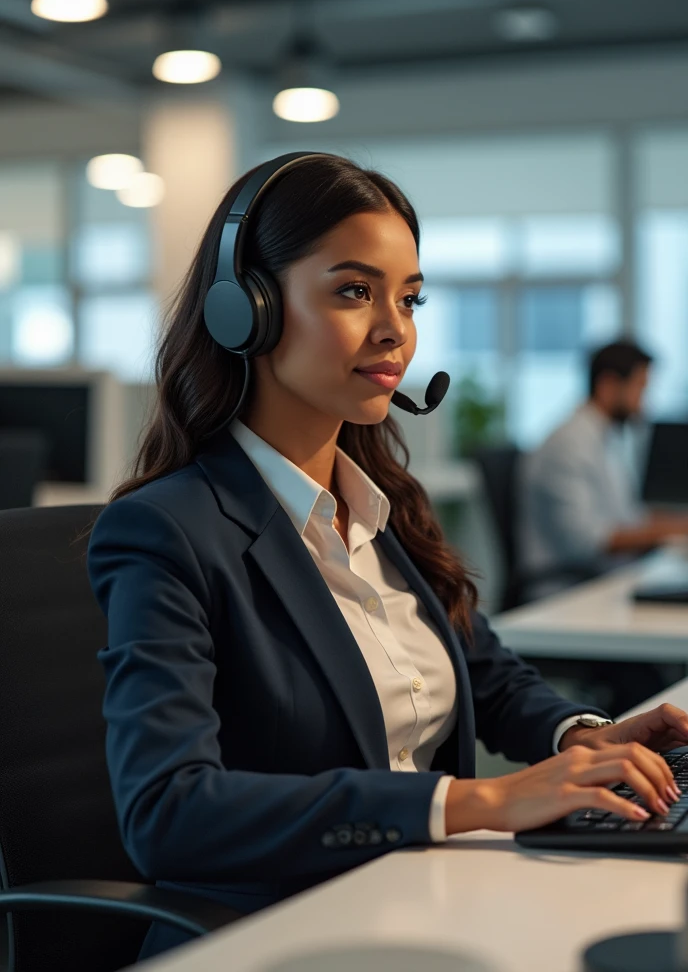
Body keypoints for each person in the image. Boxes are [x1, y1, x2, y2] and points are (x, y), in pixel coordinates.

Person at [87, 155, 688, 962]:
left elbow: (485, 674)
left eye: (409, 297)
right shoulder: (167, 530)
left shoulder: (383, 503)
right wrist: (472, 802)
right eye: (353, 291)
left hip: (426, 898)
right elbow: (170, 812)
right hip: (286, 930)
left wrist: (580, 735)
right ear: (248, 311)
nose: (395, 329)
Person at [519, 339, 688, 598]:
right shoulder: (569, 445)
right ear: (608, 385)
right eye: (640, 388)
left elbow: (629, 518)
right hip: (566, 591)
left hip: (604, 581)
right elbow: (588, 541)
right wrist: (670, 531)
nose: (644, 404)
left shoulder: (605, 440)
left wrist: (675, 524)